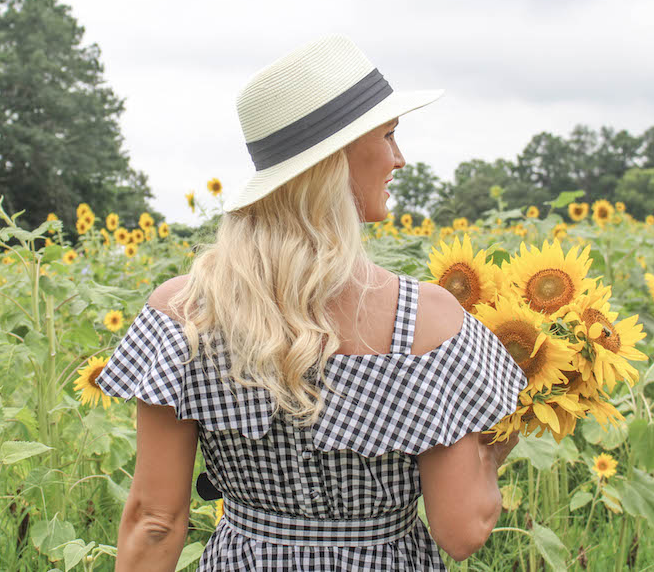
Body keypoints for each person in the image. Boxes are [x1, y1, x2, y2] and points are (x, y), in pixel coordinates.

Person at [96, 34, 527, 571]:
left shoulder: (182, 315)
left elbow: (154, 523)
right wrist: (507, 433)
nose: (400, 158)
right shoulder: (427, 323)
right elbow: (462, 532)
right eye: (390, 136)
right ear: (334, 162)